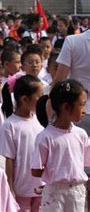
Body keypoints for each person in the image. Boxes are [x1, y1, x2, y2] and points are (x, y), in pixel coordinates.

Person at [31, 80, 90, 212]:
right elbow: (36, 170)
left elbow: (84, 164)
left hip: (77, 193)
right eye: (82, 105)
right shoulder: (45, 137)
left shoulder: (81, 134)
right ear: (66, 107)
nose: (84, 111)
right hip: (54, 194)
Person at [0, 75, 45, 212]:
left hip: (41, 187)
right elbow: (8, 160)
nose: (42, 100)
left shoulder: (40, 120)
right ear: (25, 99)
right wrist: (10, 188)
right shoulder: (10, 125)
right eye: (39, 96)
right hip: (21, 189)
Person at [53, 26, 90, 135]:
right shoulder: (72, 41)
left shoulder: (73, 41)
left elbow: (59, 82)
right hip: (78, 111)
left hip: (77, 110)